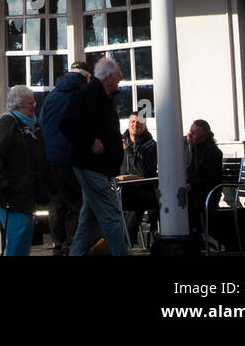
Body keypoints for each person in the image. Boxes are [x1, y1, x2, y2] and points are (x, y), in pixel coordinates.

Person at [60, 56, 131, 256]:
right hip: (90, 166)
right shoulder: (88, 94)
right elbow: (66, 123)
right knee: (111, 215)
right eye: (118, 75)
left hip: (98, 167)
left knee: (88, 220)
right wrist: (90, 142)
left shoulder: (102, 96)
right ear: (108, 77)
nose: (119, 79)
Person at [0, 85, 49, 256]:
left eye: (34, 103)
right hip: (11, 193)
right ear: (18, 105)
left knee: (24, 234)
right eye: (30, 104)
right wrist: (2, 185)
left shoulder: (33, 125)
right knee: (19, 234)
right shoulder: (7, 123)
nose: (34, 106)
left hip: (26, 192)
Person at [38, 59, 91, 256]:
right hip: (69, 156)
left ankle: (57, 245)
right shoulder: (83, 93)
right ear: (86, 76)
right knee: (75, 203)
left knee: (56, 204)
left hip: (49, 157)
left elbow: (41, 122)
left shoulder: (53, 94)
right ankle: (72, 245)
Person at [117, 110, 158, 243]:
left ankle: (126, 242)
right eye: (132, 122)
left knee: (134, 208)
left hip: (144, 189)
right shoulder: (119, 142)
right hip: (123, 189)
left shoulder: (150, 145)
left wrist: (128, 150)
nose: (135, 125)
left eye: (139, 123)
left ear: (144, 126)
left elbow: (144, 171)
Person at [185, 119, 223, 236]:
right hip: (191, 190)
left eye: (194, 133)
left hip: (205, 193)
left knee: (184, 203)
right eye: (190, 131)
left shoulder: (213, 153)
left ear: (203, 137)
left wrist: (192, 185)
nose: (190, 135)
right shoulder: (187, 148)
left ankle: (194, 235)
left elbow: (210, 179)